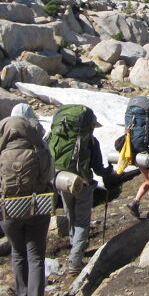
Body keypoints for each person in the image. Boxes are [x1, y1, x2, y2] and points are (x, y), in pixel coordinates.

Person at [0, 103, 53, 296]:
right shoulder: (39, 145)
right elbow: (49, 174)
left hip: (8, 209)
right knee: (35, 257)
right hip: (36, 206)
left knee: (17, 253)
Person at [47, 105, 114, 277]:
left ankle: (74, 246)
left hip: (62, 180)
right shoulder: (91, 141)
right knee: (82, 221)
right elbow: (98, 169)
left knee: (70, 214)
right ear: (90, 125)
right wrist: (109, 171)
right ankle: (75, 262)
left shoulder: (59, 135)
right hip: (83, 183)